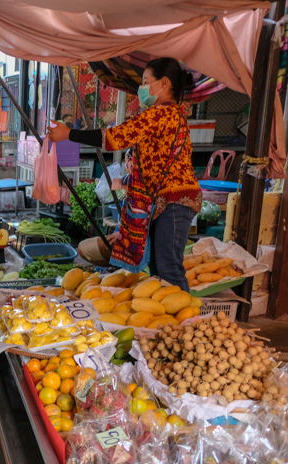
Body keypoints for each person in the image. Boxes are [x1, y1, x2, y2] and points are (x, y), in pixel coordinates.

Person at [48, 57, 200, 290]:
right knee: (159, 269)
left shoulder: (162, 114)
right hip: (164, 200)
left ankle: (186, 323)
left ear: (164, 83)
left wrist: (70, 134)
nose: (142, 88)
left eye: (146, 81)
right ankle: (168, 320)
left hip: (174, 200)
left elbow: (114, 138)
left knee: (168, 268)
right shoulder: (170, 114)